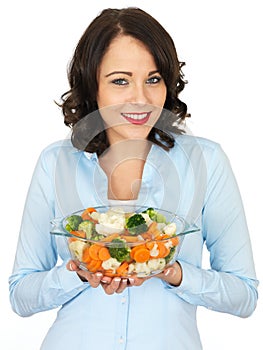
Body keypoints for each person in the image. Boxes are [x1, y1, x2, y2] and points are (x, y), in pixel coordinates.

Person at [9, 7, 258, 350]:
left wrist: (172, 272)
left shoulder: (206, 162)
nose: (140, 98)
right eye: (120, 81)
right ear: (91, 85)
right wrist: (80, 272)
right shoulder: (56, 163)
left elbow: (244, 295)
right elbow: (20, 295)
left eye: (153, 79)